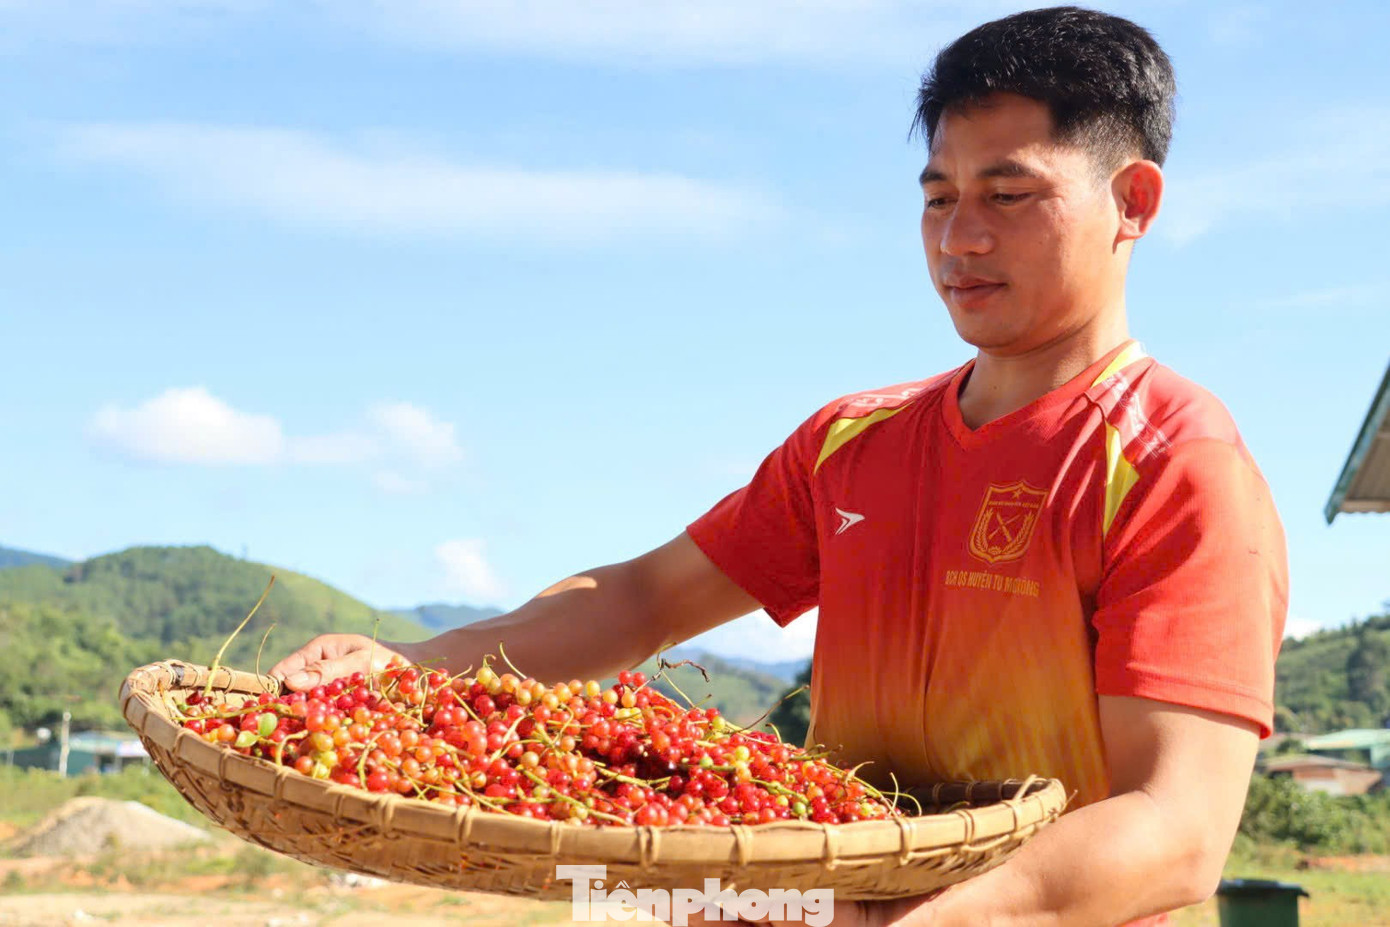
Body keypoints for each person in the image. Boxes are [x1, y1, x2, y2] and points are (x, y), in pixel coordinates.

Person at [271, 7, 1287, 925]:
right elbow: (640, 600)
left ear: (1133, 202)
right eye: (937, 198)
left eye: (1009, 194)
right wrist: (405, 675)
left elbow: (1175, 828)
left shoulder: (1171, 466)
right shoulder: (854, 442)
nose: (959, 237)